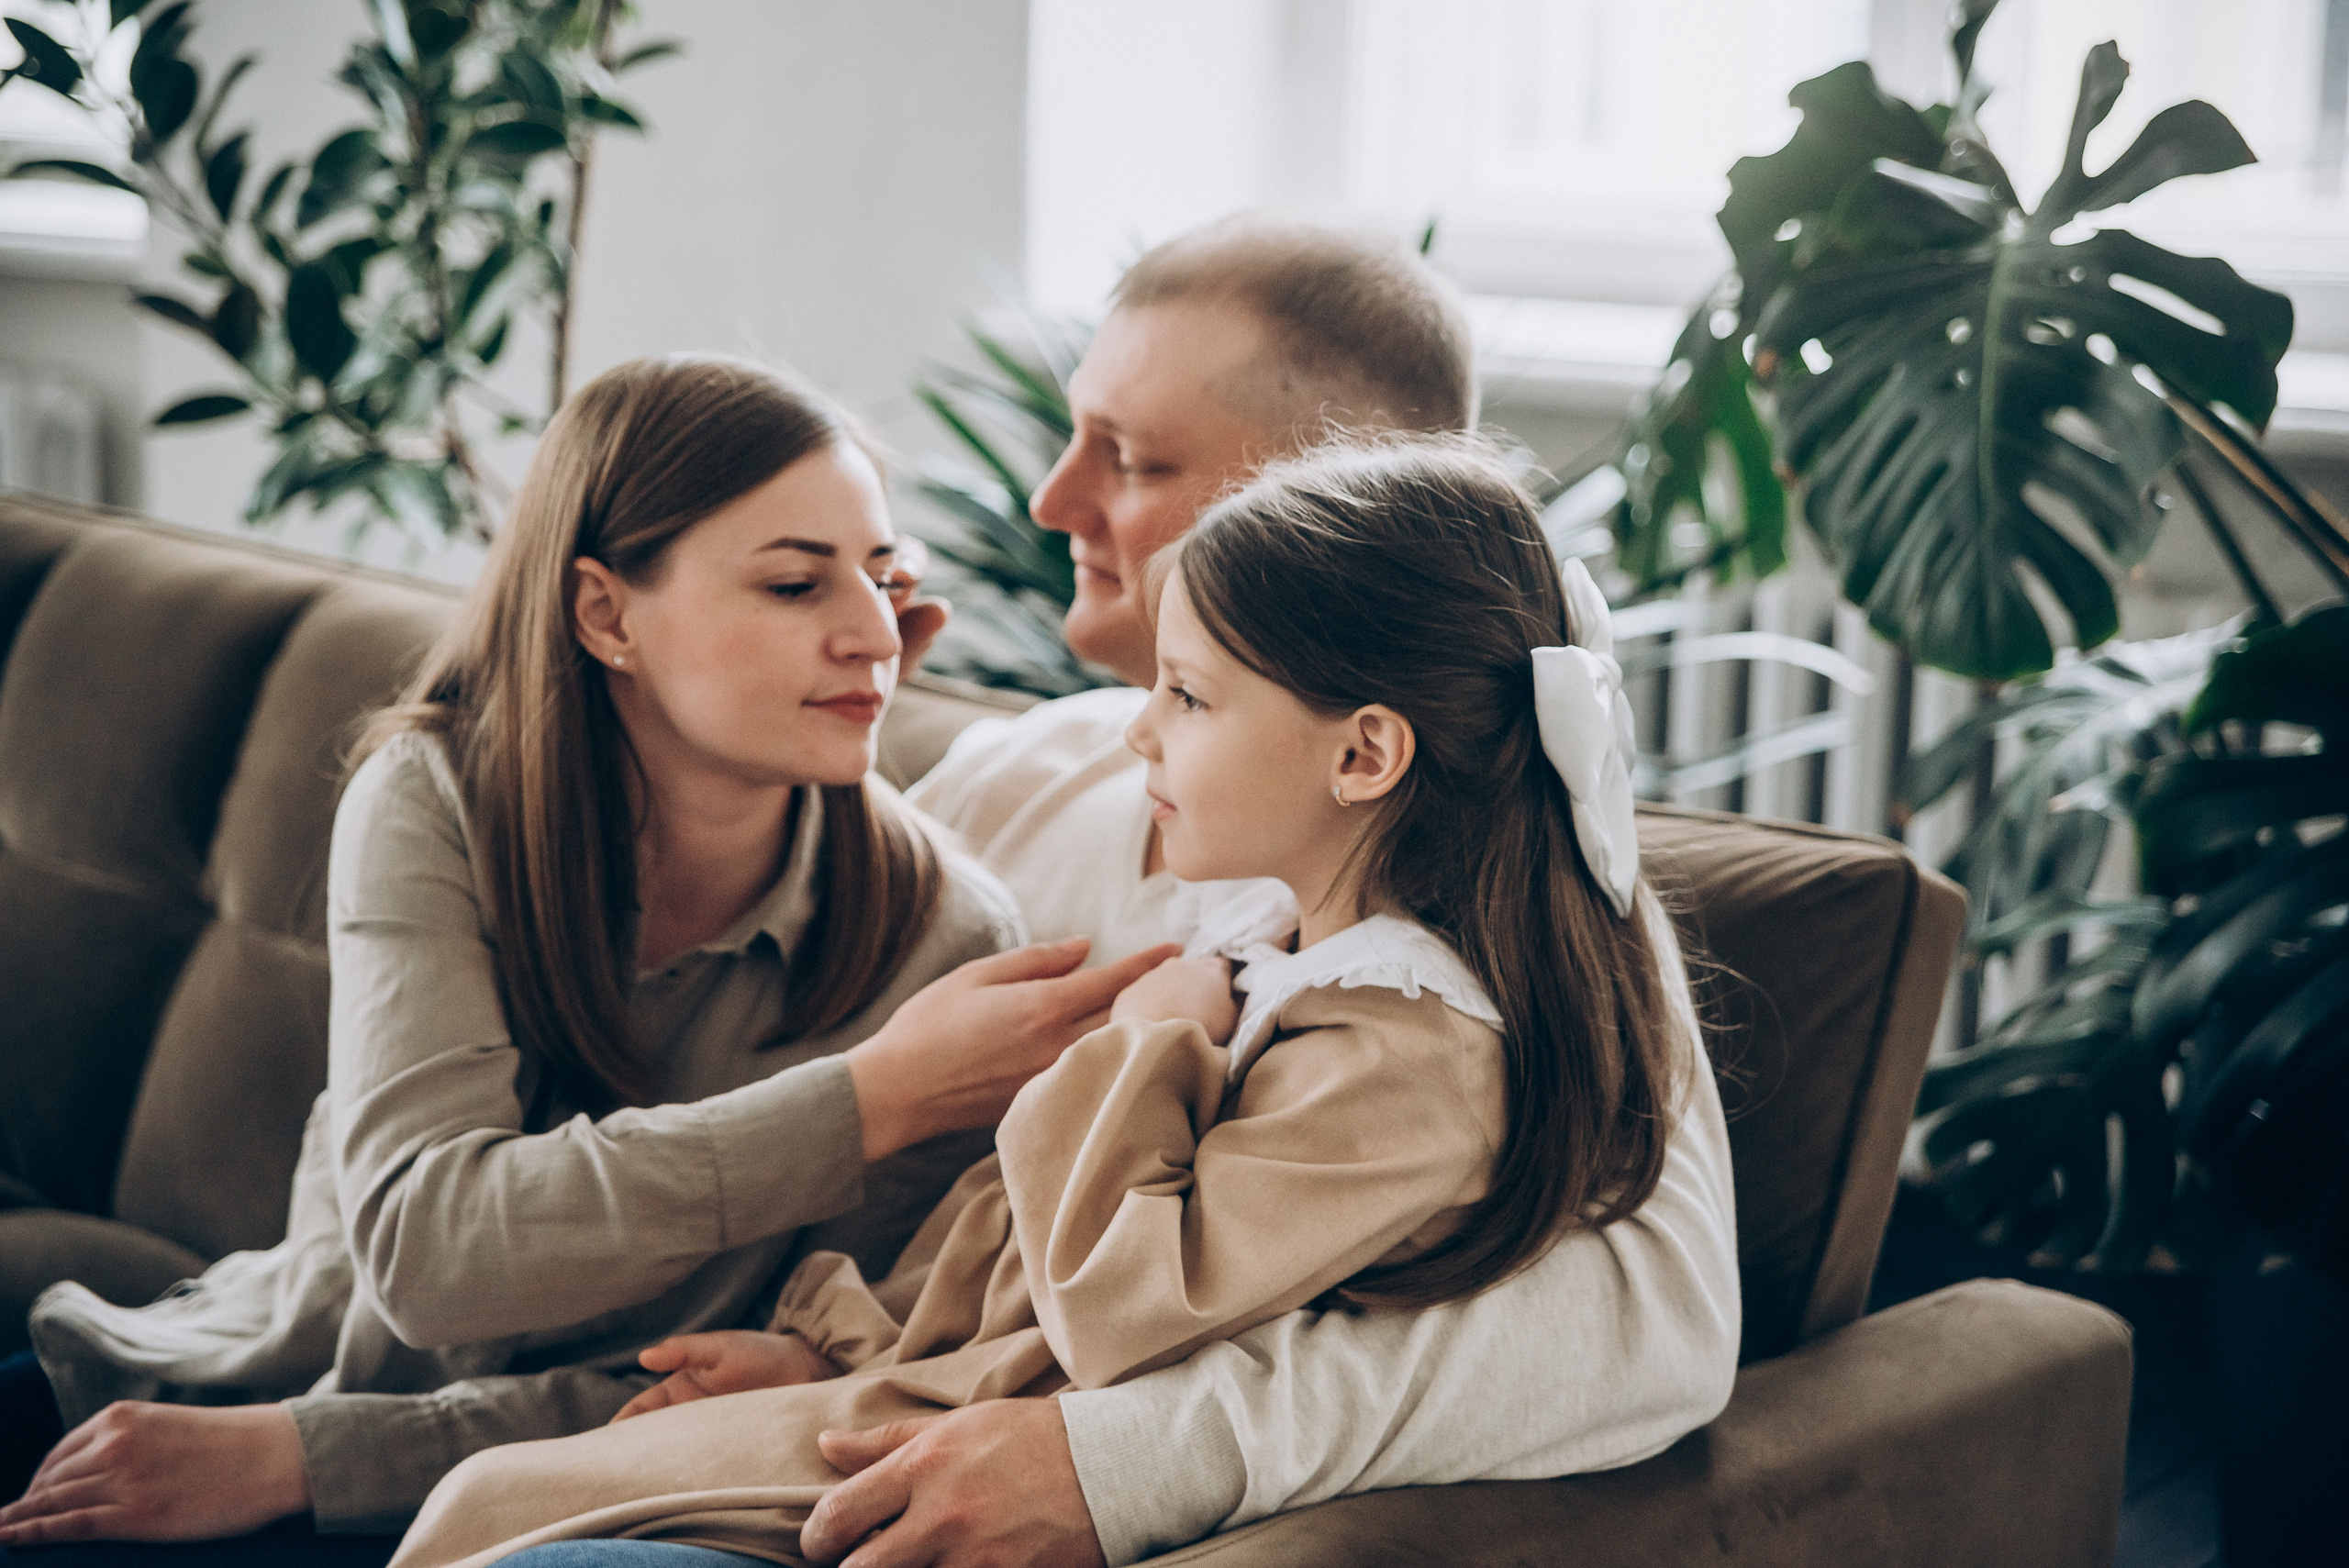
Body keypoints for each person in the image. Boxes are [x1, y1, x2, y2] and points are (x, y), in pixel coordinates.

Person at [377, 433, 1722, 1568]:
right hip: (907, 1372)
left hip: (979, 1420)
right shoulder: (1270, 922)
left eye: (1187, 693)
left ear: (1366, 750)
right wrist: (829, 1334)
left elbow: (1114, 1291)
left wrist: (1147, 1036)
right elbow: (1000, 1232)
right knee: (485, 1501)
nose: (1054, 493)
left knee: (494, 1512)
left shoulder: (1401, 1034)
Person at [0, 356, 1175, 1562]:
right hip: (244, 1372)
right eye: (793, 582)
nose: (873, 633)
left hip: (531, 1491)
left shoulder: (942, 939)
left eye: (881, 579)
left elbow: (742, 1386)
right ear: (607, 613)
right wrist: (862, 1100)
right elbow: (428, 1250)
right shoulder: (437, 795)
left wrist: (312, 1458)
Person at [778, 216, 1742, 1568]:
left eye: (1132, 458)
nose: (1051, 502)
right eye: (1073, 435)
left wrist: (1123, 1462)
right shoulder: (1023, 772)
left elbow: (1658, 1329)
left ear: (1346, 507)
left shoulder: (1502, 920)